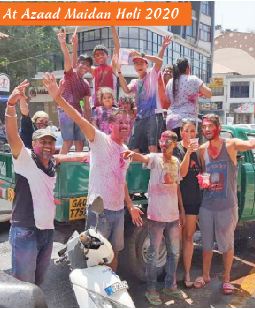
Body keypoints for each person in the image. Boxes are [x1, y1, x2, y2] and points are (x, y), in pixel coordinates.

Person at [43, 72, 137, 272]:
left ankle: (110, 289)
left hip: (118, 211)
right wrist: (58, 98)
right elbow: (78, 119)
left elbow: (122, 181)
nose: (124, 126)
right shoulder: (100, 139)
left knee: (114, 253)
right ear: (111, 124)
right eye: (120, 123)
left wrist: (130, 205)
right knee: (93, 256)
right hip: (99, 211)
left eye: (127, 124)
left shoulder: (124, 149)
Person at [195, 114, 255, 295]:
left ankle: (227, 279)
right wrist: (204, 181)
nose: (206, 130)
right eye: (204, 127)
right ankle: (205, 276)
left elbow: (251, 144)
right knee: (206, 245)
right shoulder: (201, 149)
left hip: (227, 206)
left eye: (210, 126)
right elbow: (203, 173)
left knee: (227, 245)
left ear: (218, 127)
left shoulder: (231, 145)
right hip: (206, 206)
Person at [124, 130, 186, 305]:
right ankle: (151, 290)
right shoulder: (154, 158)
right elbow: (141, 158)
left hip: (173, 216)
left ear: (175, 145)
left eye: (169, 142)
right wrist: (132, 154)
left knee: (174, 253)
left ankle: (170, 286)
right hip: (156, 216)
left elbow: (177, 187)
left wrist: (181, 210)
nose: (165, 144)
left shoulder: (176, 161)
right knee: (152, 255)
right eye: (163, 141)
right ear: (159, 142)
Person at [6, 80, 57, 284]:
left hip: (47, 232)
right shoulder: (25, 158)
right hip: (25, 231)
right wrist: (11, 107)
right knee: (23, 288)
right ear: (33, 143)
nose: (47, 145)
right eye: (42, 141)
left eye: (50, 142)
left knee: (38, 284)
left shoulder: (51, 164)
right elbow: (12, 136)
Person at [114, 46, 169, 154]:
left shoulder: (152, 74)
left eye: (141, 63)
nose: (139, 65)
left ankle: (152, 170)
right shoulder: (135, 82)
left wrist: (142, 54)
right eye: (136, 63)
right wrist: (119, 71)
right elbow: (126, 89)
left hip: (154, 115)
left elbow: (160, 61)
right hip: (140, 117)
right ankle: (138, 169)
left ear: (146, 65)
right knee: (134, 147)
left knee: (152, 146)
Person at [173, 119, 204, 289]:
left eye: (193, 131)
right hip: (178, 202)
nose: (190, 134)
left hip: (193, 201)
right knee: (175, 239)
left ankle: (186, 273)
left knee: (189, 237)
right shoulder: (177, 149)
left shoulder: (199, 152)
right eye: (187, 131)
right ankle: (171, 278)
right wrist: (188, 153)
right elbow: (181, 173)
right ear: (181, 133)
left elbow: (202, 173)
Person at [56, 28, 91, 154]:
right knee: (68, 142)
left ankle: (77, 170)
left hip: (78, 113)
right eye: (82, 63)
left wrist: (88, 122)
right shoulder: (70, 75)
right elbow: (69, 61)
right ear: (77, 64)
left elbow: (87, 106)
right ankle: (58, 168)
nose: (84, 66)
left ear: (89, 68)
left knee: (80, 142)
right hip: (65, 111)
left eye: (88, 65)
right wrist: (63, 44)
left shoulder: (86, 84)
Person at [165, 58, 212, 137]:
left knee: (175, 148)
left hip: (171, 121)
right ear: (188, 68)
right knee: (193, 147)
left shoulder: (170, 82)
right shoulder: (193, 79)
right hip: (188, 121)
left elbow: (167, 100)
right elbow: (209, 94)